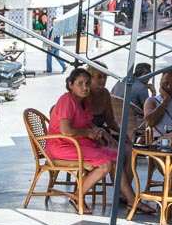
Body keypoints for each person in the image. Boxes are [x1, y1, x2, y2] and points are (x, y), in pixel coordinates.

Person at [47, 68, 150, 215]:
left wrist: (99, 132)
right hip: (62, 145)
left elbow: (87, 122)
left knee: (115, 158)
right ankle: (77, 196)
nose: (85, 87)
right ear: (70, 84)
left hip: (78, 143)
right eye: (80, 84)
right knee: (105, 163)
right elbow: (66, 131)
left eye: (87, 84)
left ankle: (131, 200)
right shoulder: (66, 101)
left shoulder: (83, 102)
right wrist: (89, 133)